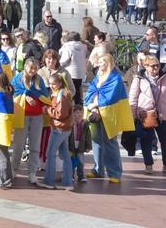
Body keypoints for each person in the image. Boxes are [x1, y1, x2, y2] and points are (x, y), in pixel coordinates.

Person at [84, 54, 127, 183]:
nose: (99, 64)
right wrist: (93, 107)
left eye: (102, 62)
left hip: (109, 113)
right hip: (95, 111)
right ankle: (98, 169)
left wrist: (96, 104)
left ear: (109, 63)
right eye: (99, 62)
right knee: (96, 140)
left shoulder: (115, 78)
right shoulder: (97, 77)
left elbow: (111, 97)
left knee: (110, 142)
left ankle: (115, 172)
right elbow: (91, 91)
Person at [11, 57, 47, 185]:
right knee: (18, 145)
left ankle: (32, 172)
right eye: (31, 67)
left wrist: (44, 104)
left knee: (35, 145)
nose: (33, 70)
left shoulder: (39, 79)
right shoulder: (17, 79)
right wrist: (25, 96)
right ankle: (13, 169)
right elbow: (13, 92)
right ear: (25, 67)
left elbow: (44, 94)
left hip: (37, 115)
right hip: (22, 114)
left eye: (35, 68)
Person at [128, 55, 166, 174]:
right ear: (145, 66)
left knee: (165, 141)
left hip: (162, 113)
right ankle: (148, 164)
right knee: (146, 140)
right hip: (145, 114)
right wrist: (134, 115)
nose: (155, 68)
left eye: (157, 65)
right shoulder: (139, 78)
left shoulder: (164, 77)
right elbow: (133, 98)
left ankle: (165, 165)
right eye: (152, 65)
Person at [40, 73, 74, 190]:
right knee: (65, 154)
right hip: (65, 128)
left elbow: (60, 113)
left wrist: (47, 110)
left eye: (53, 83)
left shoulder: (62, 95)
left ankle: (49, 181)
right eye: (49, 83)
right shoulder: (62, 94)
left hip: (59, 128)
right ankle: (67, 182)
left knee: (51, 153)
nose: (51, 86)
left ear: (59, 83)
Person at [59, 32, 88, 106]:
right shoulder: (83, 46)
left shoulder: (68, 47)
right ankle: (78, 108)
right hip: (80, 72)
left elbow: (64, 60)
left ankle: (71, 107)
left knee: (71, 90)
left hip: (70, 72)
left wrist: (59, 64)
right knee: (78, 89)